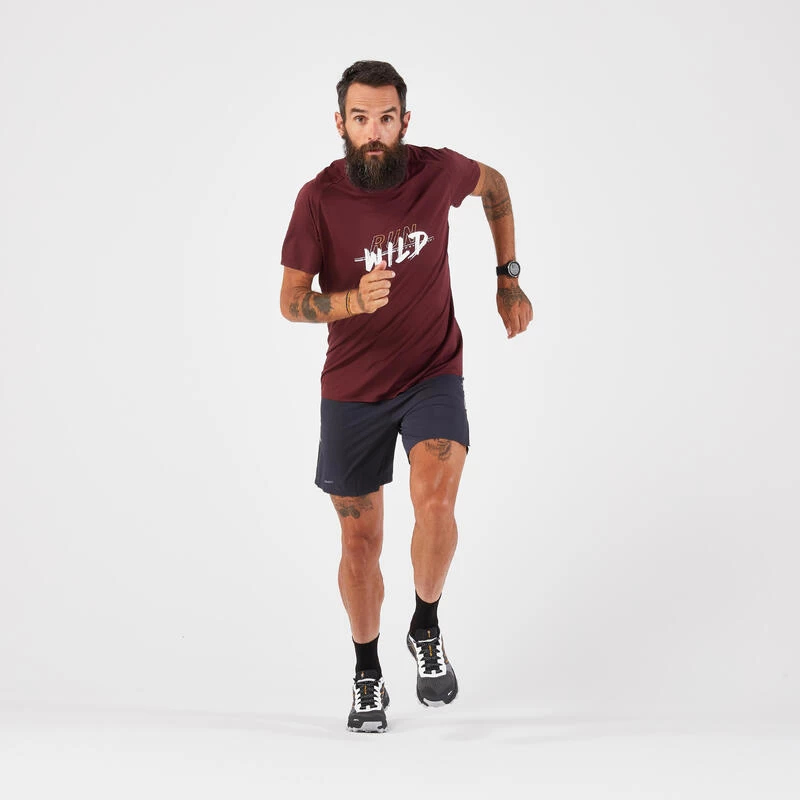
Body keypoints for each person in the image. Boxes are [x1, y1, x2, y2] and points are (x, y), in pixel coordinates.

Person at [279, 60, 533, 733]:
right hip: (353, 390)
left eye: (386, 118)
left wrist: (507, 279)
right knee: (360, 541)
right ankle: (367, 671)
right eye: (360, 118)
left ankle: (425, 624)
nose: (374, 132)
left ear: (404, 121)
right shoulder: (318, 199)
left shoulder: (436, 171)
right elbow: (290, 301)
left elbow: (495, 185)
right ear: (340, 123)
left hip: (431, 373)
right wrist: (350, 302)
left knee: (437, 503)